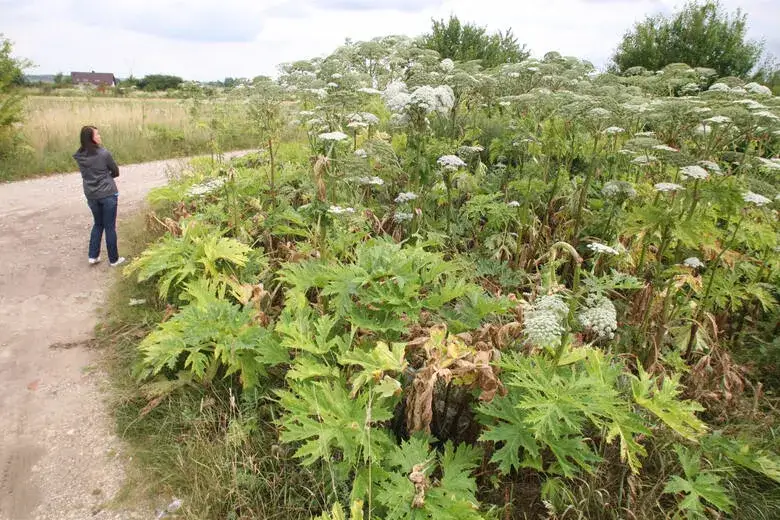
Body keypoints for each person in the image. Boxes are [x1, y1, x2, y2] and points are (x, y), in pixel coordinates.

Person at [73, 126, 125, 267]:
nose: (100, 136)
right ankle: (114, 260)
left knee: (98, 224)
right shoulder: (103, 154)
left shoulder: (79, 156)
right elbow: (116, 171)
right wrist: (107, 176)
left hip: (91, 195)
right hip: (108, 193)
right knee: (110, 226)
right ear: (91, 138)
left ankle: (93, 256)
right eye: (97, 134)